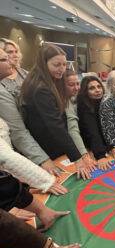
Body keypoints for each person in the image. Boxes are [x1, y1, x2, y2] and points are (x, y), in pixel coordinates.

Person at [20, 44, 90, 180]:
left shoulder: (46, 80)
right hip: (46, 144)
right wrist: (78, 159)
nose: (62, 69)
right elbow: (55, 126)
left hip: (51, 141)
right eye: (57, 65)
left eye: (64, 64)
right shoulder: (41, 88)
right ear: (43, 63)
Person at [0, 47, 61, 177]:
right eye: (5, 58)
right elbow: (17, 131)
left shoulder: (26, 75)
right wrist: (43, 160)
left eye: (15, 52)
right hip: (16, 148)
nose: (11, 60)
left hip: (34, 140)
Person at [77, 76, 112, 171]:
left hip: (105, 146)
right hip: (91, 148)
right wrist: (100, 156)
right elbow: (92, 132)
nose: (97, 90)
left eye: (99, 86)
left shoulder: (104, 103)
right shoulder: (84, 107)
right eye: (92, 88)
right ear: (85, 91)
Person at [64, 69, 96, 174]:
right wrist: (84, 154)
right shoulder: (65, 101)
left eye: (78, 84)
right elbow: (73, 129)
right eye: (71, 85)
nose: (77, 88)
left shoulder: (77, 99)